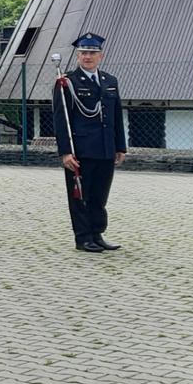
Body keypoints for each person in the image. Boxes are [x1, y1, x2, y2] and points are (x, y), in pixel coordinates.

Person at [51, 32, 127, 253]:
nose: (88, 57)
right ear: (77, 56)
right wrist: (65, 152)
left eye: (92, 53)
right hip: (80, 151)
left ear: (100, 56)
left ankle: (97, 233)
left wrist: (120, 146)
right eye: (83, 53)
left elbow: (115, 116)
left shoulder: (110, 81)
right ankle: (83, 238)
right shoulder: (67, 82)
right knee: (80, 197)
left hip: (105, 148)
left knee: (99, 196)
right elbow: (61, 120)